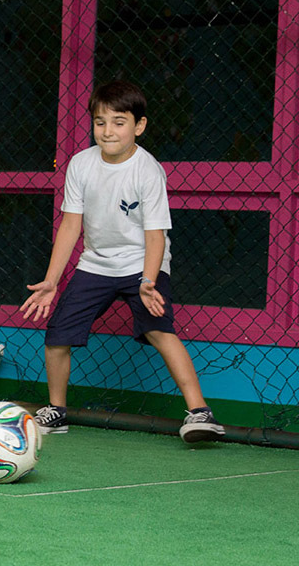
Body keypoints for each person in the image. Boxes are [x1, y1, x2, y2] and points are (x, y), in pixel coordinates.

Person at [19, 81, 224, 444]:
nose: (108, 131)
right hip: (95, 265)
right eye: (100, 122)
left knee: (160, 331)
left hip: (142, 264)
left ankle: (199, 413)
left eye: (118, 122)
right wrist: (52, 280)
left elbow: (155, 235)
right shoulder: (80, 164)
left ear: (138, 126)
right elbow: (70, 225)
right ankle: (56, 411)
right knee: (57, 336)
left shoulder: (148, 171)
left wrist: (148, 280)